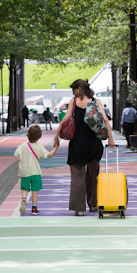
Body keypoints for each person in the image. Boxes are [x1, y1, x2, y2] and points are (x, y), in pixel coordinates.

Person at [55, 79, 115, 216]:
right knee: (93, 176)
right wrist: (110, 138)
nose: (73, 92)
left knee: (77, 177)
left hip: (77, 145)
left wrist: (56, 137)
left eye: (74, 89)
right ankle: (93, 204)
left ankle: (79, 208)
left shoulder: (74, 102)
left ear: (80, 88)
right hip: (94, 144)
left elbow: (64, 120)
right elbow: (105, 119)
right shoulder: (95, 101)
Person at [15, 125, 59, 215]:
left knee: (25, 189)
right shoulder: (39, 147)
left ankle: (24, 198)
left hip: (24, 172)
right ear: (39, 137)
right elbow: (49, 155)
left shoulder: (23, 146)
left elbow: (16, 154)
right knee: (34, 190)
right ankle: (34, 208)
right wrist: (55, 148)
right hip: (35, 172)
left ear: (28, 135)